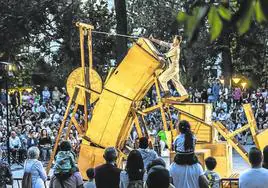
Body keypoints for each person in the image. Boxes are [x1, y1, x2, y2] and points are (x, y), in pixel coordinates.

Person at [170, 120, 208, 188]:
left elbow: (175, 149)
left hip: (179, 159)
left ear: (179, 129)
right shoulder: (198, 167)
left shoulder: (172, 168)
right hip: (191, 159)